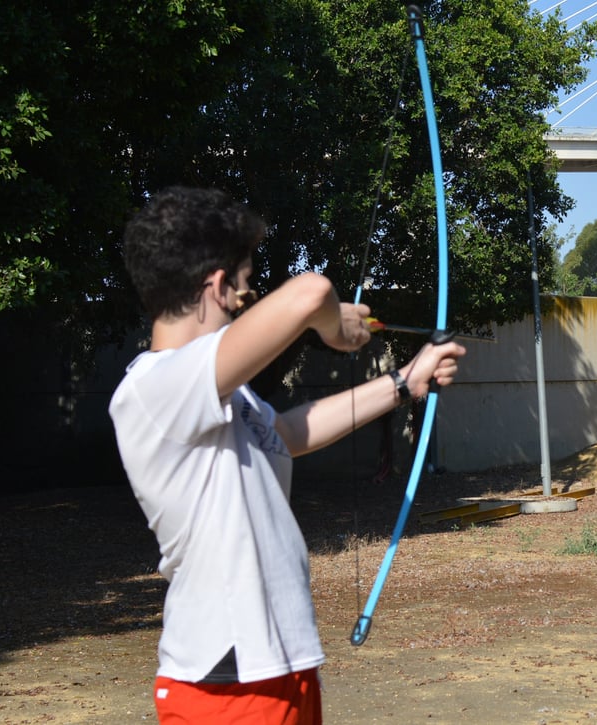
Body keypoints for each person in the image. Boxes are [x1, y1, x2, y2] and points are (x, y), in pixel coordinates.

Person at [108, 186, 465, 723]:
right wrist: (334, 329)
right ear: (218, 286)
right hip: (226, 684)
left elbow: (288, 433)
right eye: (246, 285)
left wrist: (402, 381)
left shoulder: (226, 395)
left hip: (280, 665)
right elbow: (310, 292)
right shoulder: (157, 387)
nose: (247, 300)